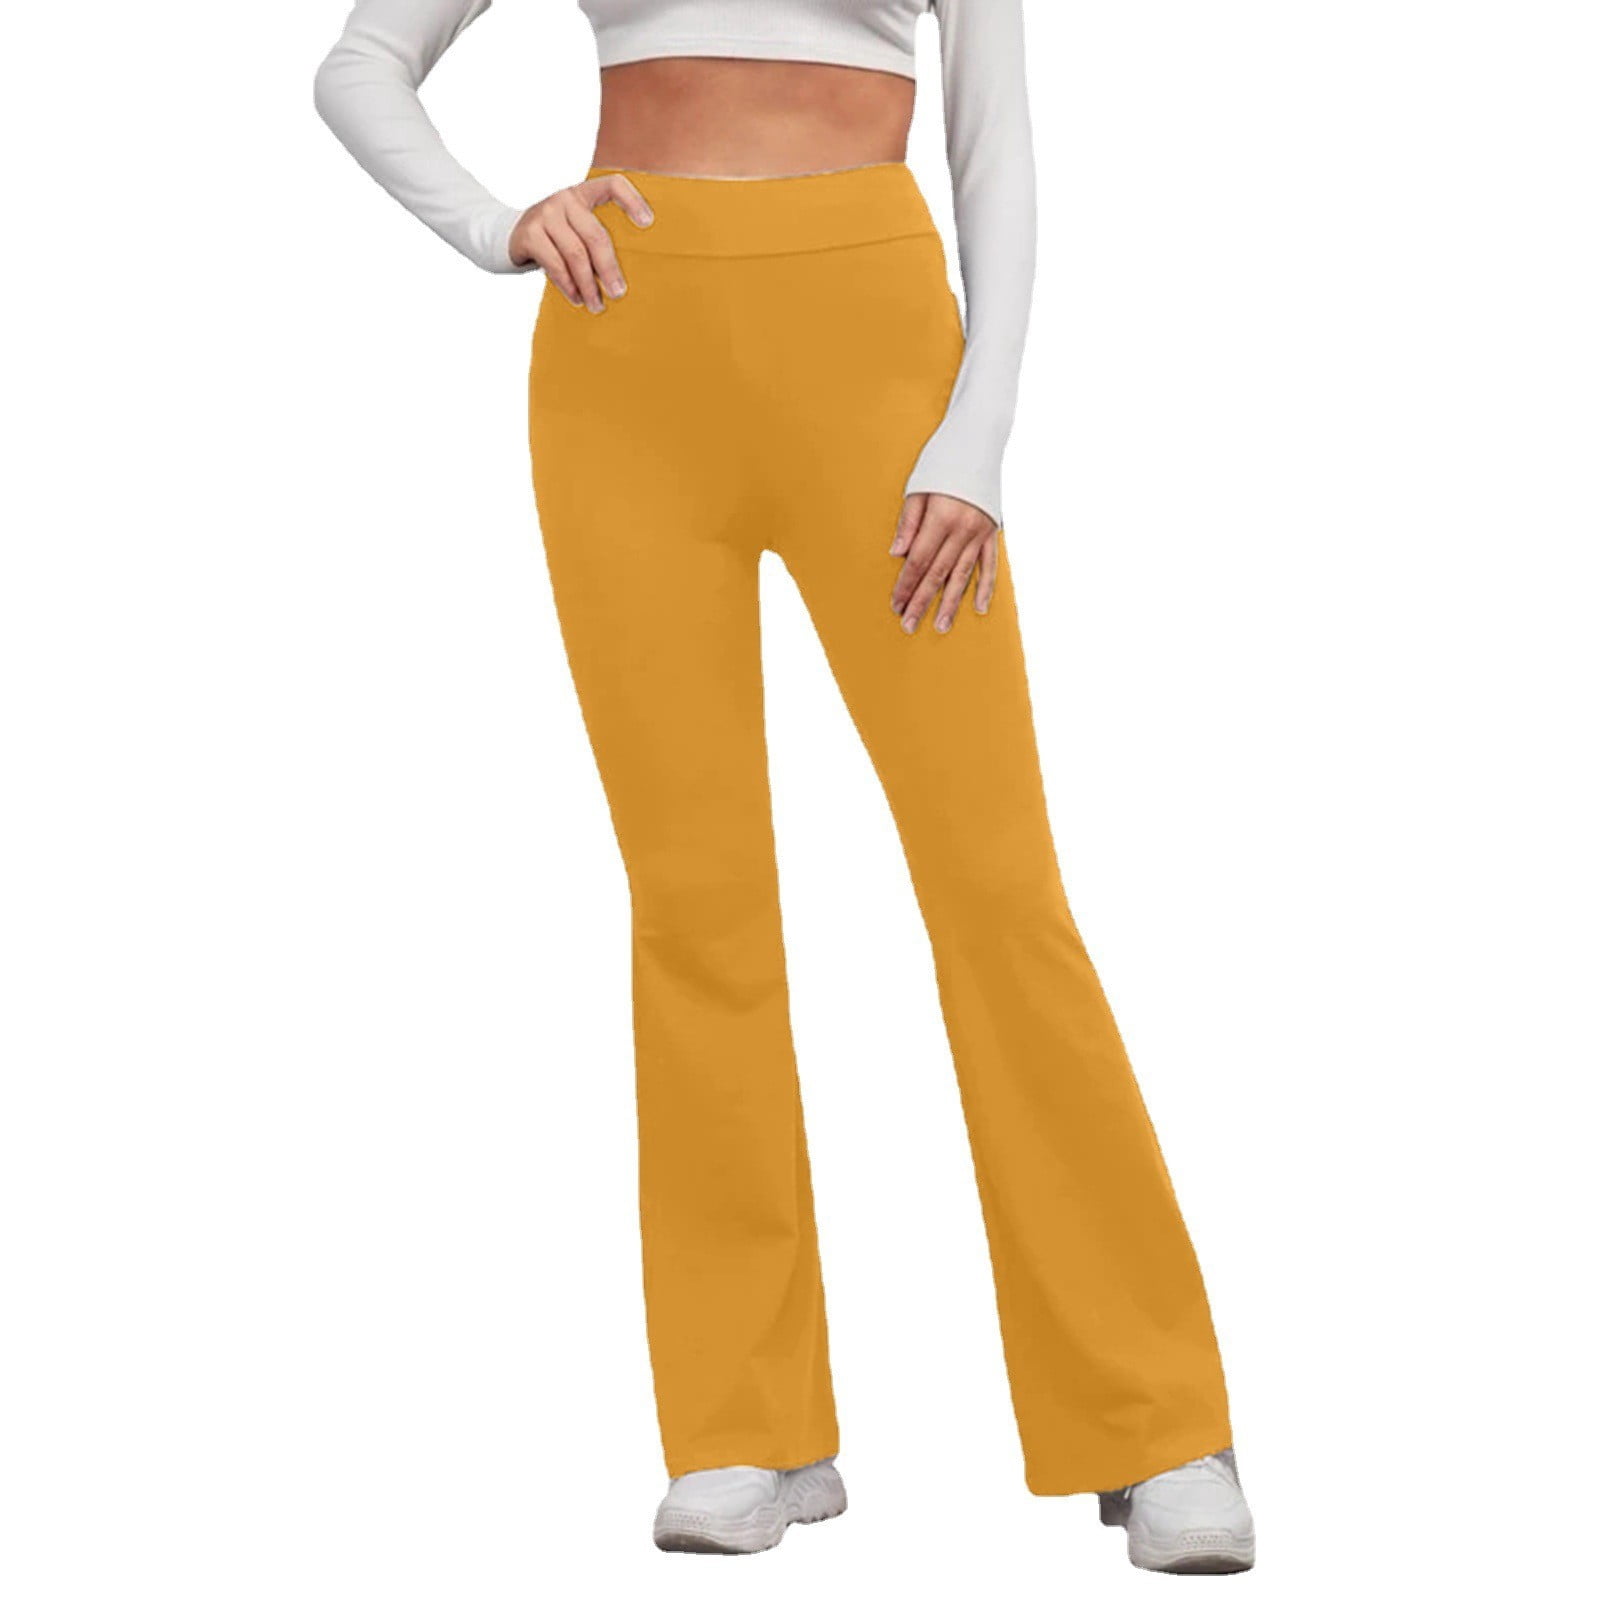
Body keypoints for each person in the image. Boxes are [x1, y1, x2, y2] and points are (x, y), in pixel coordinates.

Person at [313, 0, 1256, 1572]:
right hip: (624, 358)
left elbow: (994, 151)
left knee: (996, 889)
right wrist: (495, 224)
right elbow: (360, 66)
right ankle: (743, 1427)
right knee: (696, 906)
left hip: (876, 361)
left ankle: (1156, 1421)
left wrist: (976, 432)